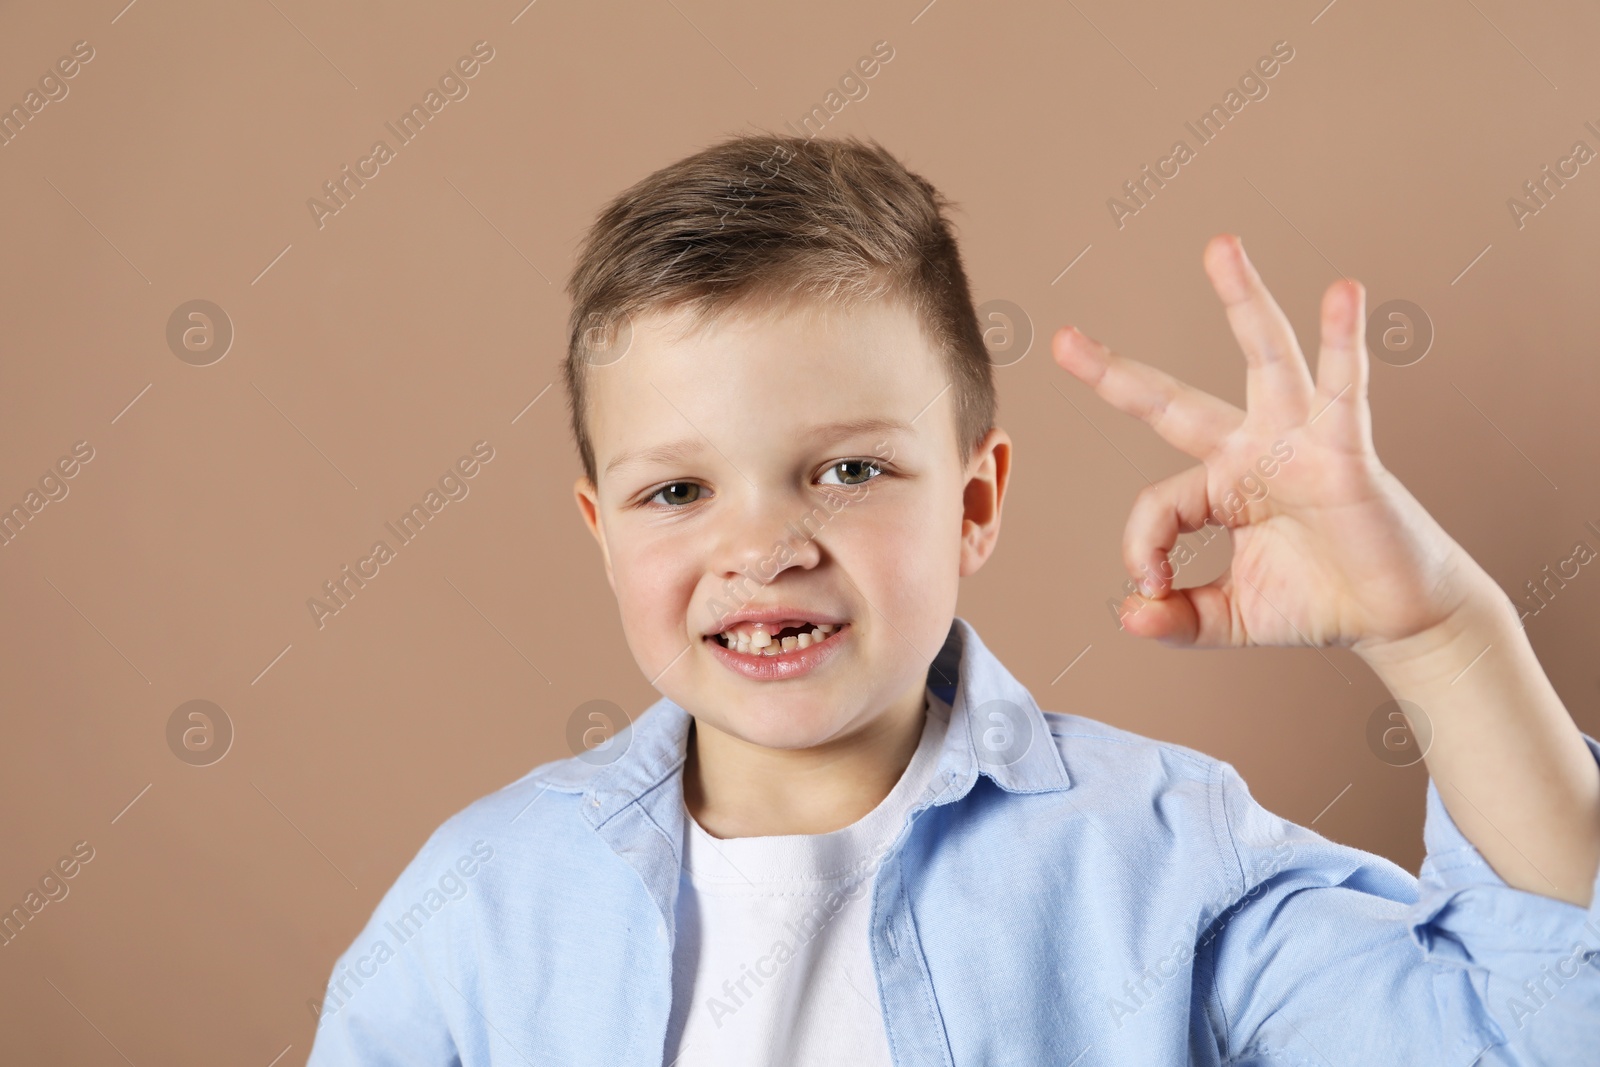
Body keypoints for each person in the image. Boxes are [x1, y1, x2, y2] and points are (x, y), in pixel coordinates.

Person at [306, 134, 1600, 1065]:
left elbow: (1525, 1031)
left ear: (975, 504)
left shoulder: (1161, 861)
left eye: (849, 470)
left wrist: (1445, 643)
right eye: (678, 492)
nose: (763, 547)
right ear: (601, 534)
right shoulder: (485, 900)